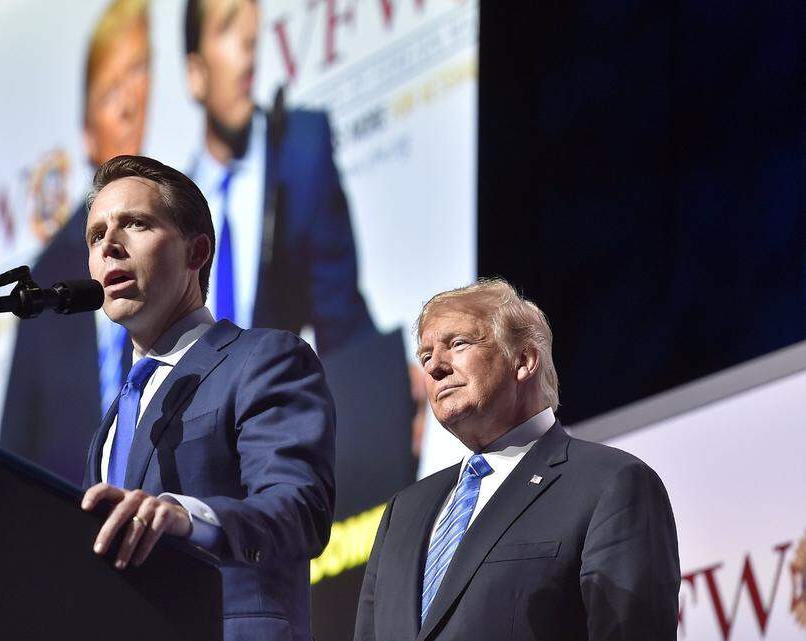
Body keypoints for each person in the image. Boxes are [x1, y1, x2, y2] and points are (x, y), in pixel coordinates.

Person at [80, 155, 335, 641]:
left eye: (135, 224)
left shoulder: (262, 359)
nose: (109, 245)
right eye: (96, 236)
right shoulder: (111, 424)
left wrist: (190, 517)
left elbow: (299, 509)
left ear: (196, 252)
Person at [354, 279, 680, 641]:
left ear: (523, 361)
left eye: (458, 344)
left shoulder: (609, 484)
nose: (435, 368)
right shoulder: (403, 511)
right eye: (426, 356)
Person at [0, 0, 152, 483]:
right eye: (110, 92)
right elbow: (15, 446)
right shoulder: (48, 275)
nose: (129, 104)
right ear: (87, 134)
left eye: (138, 73)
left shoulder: (181, 234)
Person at [183, 0, 375, 356]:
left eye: (251, 28)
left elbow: (341, 318)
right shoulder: (173, 204)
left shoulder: (301, 151)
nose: (247, 40)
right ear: (196, 74)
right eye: (227, 26)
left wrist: (386, 375)